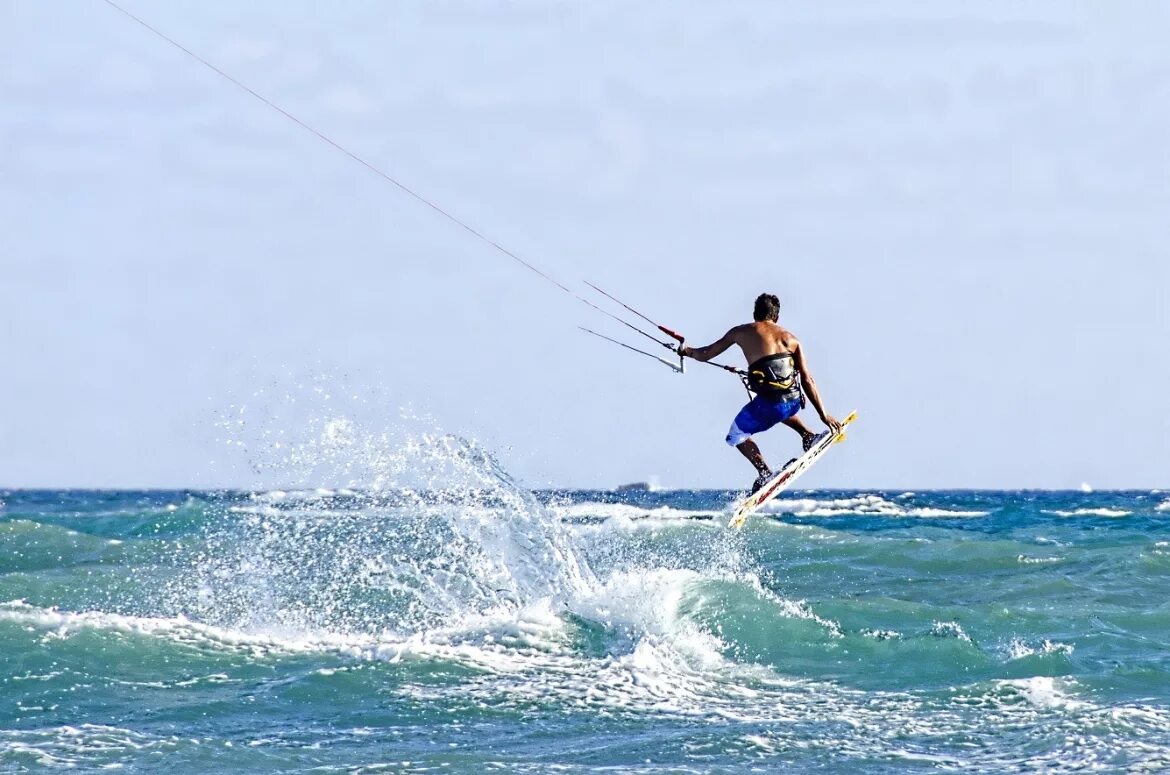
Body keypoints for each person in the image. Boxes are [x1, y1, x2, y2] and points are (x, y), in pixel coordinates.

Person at [679, 293, 841, 493]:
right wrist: (823, 415)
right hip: (793, 401)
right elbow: (807, 379)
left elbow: (705, 354)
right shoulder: (791, 339)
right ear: (777, 317)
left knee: (735, 435)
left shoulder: (740, 332)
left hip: (770, 405)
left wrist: (687, 351)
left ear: (754, 314)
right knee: (776, 403)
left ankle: (765, 473)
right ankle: (808, 436)